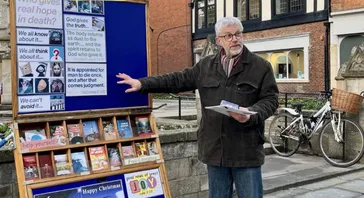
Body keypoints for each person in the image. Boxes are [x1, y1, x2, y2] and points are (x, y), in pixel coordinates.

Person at [116, 16, 278, 198]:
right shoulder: (206, 66)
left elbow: (271, 100)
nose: (235, 39)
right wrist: (142, 84)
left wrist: (251, 114)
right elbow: (176, 80)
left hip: (246, 151)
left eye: (238, 34)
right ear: (218, 40)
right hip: (215, 150)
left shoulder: (260, 66)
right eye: (229, 35)